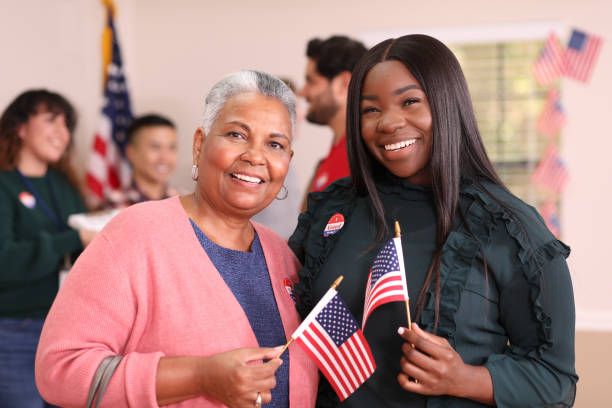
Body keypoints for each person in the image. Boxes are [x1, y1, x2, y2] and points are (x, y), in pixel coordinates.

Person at [289, 34, 577, 407]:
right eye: (370, 109)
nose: (389, 122)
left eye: (410, 101)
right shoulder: (332, 209)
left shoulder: (510, 227)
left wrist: (465, 379)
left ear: (446, 103)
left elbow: (557, 383)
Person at [35, 71, 318, 407]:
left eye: (275, 144)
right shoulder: (135, 234)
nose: (255, 156)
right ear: (200, 145)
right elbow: (61, 370)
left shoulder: (282, 255)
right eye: (237, 135)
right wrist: (200, 377)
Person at [0, 89, 96, 407]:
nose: (62, 132)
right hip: (16, 331)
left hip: (67, 331)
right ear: (20, 127)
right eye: (51, 120)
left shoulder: (63, 184)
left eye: (67, 124)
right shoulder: (4, 184)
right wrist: (74, 239)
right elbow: (4, 261)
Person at [299, 35, 367, 197]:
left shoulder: (362, 158)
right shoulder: (332, 156)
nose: (303, 92)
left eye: (311, 81)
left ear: (343, 84)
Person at [106, 113, 179, 207]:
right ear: (131, 152)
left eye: (172, 147)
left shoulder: (187, 203)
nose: (165, 157)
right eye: (155, 147)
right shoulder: (114, 205)